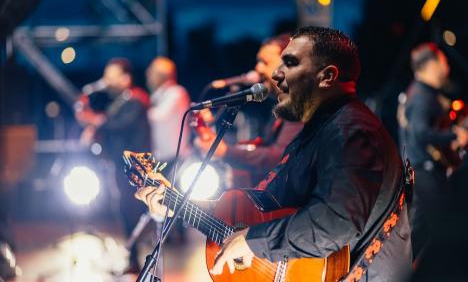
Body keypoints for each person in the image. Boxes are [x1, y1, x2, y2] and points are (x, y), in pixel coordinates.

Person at [136, 27, 412, 281]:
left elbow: (336, 222)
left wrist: (254, 242)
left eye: (290, 63)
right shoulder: (319, 130)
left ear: (327, 76)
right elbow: (263, 211)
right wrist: (176, 202)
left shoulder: (352, 131)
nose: (276, 74)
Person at [195, 34, 303, 187]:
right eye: (258, 61)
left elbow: (279, 158)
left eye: (265, 62)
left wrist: (227, 152)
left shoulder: (299, 104)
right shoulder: (282, 105)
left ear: (288, 66)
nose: (258, 68)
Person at [75, 58, 151, 272]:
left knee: (132, 209)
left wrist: (93, 120)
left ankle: (137, 259)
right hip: (121, 165)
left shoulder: (136, 99)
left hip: (134, 167)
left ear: (126, 78)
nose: (106, 80)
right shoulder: (120, 100)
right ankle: (133, 258)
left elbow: (119, 125)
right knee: (125, 210)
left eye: (112, 75)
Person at [399, 43, 468, 260]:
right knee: (448, 231)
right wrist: (455, 136)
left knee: (420, 231)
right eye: (444, 62)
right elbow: (421, 133)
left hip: (419, 172)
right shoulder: (422, 96)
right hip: (426, 173)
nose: (447, 67)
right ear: (432, 64)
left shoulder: (417, 92)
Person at [146, 57, 191, 170]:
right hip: (160, 158)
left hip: (175, 159)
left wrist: (136, 110)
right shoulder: (157, 96)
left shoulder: (176, 93)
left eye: (151, 73)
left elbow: (159, 116)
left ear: (161, 76)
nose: (148, 76)